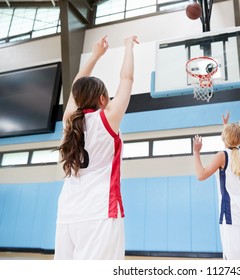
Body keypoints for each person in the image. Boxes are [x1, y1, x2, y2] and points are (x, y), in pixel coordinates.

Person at [54, 35, 139, 260]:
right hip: (101, 212)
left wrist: (95, 56)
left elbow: (76, 86)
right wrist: (128, 46)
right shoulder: (108, 119)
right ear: (102, 99)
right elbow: (127, 78)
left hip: (67, 214)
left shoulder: (69, 121)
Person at [192, 114, 240, 260]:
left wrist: (196, 153)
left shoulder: (222, 156)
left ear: (224, 137)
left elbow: (201, 175)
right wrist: (226, 126)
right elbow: (232, 146)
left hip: (232, 216)